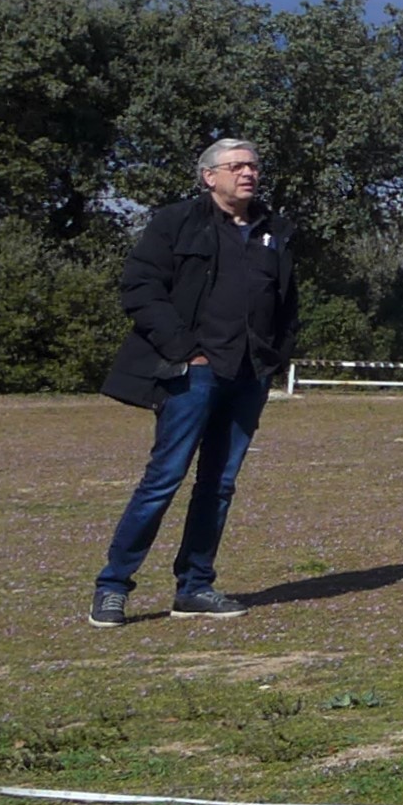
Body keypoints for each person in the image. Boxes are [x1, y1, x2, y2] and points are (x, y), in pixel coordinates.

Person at [91, 137, 300, 626]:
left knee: (218, 485)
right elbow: (140, 288)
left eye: (253, 166)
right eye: (237, 166)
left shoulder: (275, 231)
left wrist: (275, 356)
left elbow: (286, 302)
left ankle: (194, 587)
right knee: (163, 479)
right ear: (209, 177)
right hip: (193, 373)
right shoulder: (176, 222)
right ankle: (113, 586)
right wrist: (186, 350)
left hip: (249, 375)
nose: (248, 174)